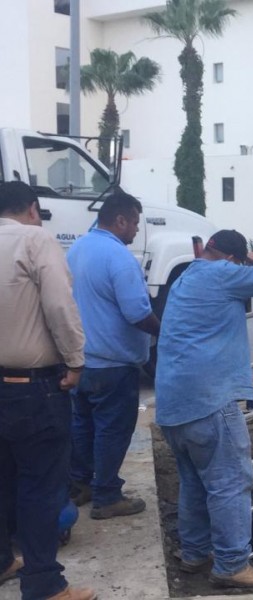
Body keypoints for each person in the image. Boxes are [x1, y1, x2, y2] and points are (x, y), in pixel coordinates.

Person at [155, 230, 253, 588]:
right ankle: (232, 565)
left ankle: (195, 553)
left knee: (194, 482)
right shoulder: (223, 272)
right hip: (209, 400)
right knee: (229, 482)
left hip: (173, 404)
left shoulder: (186, 277)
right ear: (231, 258)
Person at [0, 181, 95, 600]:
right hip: (32, 388)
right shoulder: (35, 240)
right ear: (34, 209)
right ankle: (43, 585)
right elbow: (59, 304)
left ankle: (3, 562)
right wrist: (75, 360)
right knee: (40, 488)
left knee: (3, 481)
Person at [67, 189, 161, 520]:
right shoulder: (119, 257)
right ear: (119, 220)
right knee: (112, 429)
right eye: (134, 222)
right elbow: (137, 312)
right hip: (114, 364)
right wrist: (165, 331)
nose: (136, 229)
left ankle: (80, 485)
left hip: (82, 360)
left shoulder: (78, 248)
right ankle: (107, 496)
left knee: (83, 425)